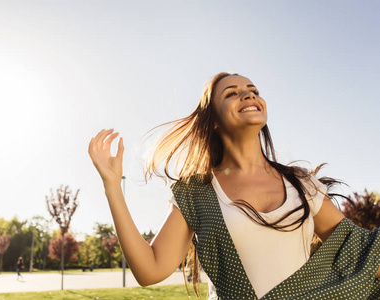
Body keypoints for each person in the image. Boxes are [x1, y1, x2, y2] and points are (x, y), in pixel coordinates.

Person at [88, 73, 380, 299]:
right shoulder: (197, 191)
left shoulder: (302, 183)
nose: (248, 95)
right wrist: (112, 187)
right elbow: (150, 270)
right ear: (213, 119)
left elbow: (364, 253)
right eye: (232, 93)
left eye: (253, 91)